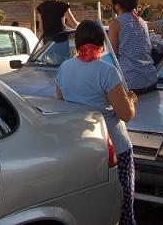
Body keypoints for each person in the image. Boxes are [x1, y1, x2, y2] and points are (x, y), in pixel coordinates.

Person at [56, 20, 138, 225]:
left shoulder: (64, 68)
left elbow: (60, 105)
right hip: (113, 147)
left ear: (77, 43)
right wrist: (131, 101)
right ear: (102, 42)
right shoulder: (107, 71)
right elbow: (125, 114)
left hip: (80, 147)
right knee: (120, 202)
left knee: (89, 205)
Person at [109, 0, 158, 94]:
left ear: (117, 5)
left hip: (131, 83)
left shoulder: (116, 24)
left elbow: (113, 56)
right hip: (151, 79)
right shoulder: (142, 22)